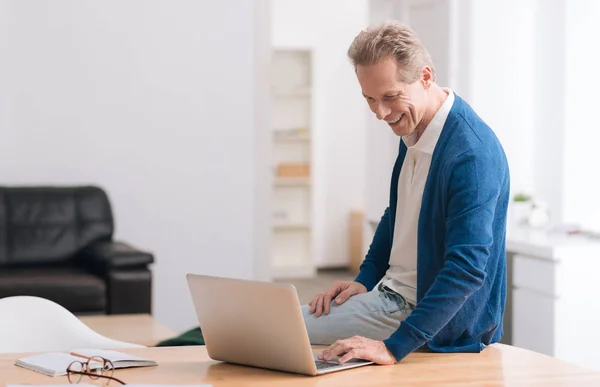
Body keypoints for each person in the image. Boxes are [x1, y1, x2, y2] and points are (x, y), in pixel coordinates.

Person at [302, 20, 510, 365]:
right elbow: (398, 212)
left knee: (278, 330)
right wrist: (365, 279)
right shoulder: (415, 127)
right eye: (369, 99)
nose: (381, 113)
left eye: (390, 97)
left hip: (428, 319)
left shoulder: (470, 155)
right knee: (273, 328)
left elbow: (467, 269)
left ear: (425, 77)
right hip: (391, 295)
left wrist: (392, 347)